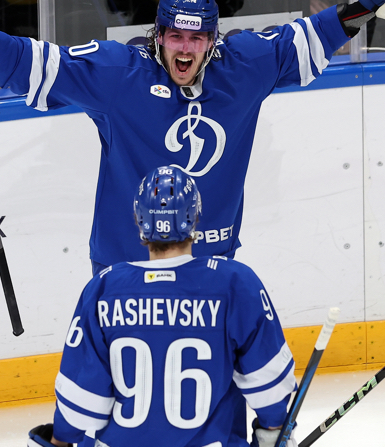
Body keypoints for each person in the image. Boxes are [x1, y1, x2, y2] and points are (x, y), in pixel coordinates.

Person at [0, 0, 385, 277]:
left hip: (210, 266)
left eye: (197, 38)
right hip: (125, 269)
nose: (185, 47)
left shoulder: (242, 67)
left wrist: (369, 6)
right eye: (176, 35)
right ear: (159, 35)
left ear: (213, 41)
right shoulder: (118, 74)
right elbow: (42, 66)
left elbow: (306, 37)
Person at [26, 166, 300, 447]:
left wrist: (57, 442)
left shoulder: (104, 288)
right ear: (195, 217)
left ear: (138, 219)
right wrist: (272, 432)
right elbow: (269, 383)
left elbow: (81, 399)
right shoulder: (235, 283)